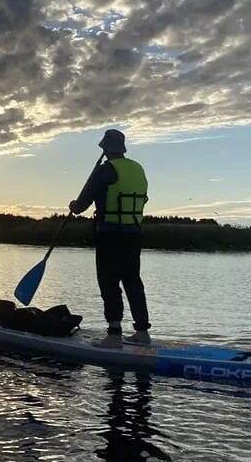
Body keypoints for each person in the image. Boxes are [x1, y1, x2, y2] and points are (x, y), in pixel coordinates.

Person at [69, 129, 151, 348]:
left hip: (110, 235)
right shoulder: (137, 168)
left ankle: (114, 335)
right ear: (122, 148)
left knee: (109, 283)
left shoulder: (105, 170)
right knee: (133, 282)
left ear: (106, 148)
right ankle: (142, 332)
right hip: (134, 235)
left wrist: (74, 206)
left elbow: (82, 204)